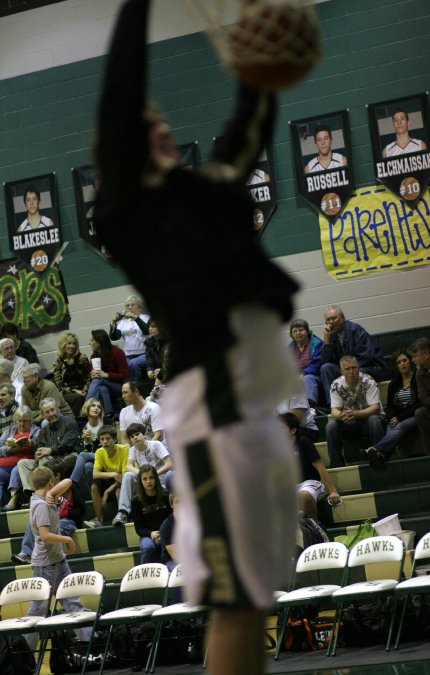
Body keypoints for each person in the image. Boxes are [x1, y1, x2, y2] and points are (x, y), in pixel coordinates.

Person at [94, 2, 299, 673]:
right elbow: (121, 92)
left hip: (252, 399)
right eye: (143, 125)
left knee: (257, 595)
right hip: (211, 406)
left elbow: (242, 139)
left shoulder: (204, 190)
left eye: (161, 123)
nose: (156, 126)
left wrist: (256, 78)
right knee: (235, 600)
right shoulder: (128, 210)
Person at [24, 465, 91, 652]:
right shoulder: (40, 505)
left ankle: (89, 645)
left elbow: (69, 482)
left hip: (59, 561)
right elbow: (45, 536)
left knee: (72, 603)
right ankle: (24, 653)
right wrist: (68, 539)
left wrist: (51, 491)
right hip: (44, 566)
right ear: (50, 481)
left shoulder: (48, 498)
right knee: (38, 610)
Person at [12, 459, 85, 565]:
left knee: (55, 527)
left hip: (68, 520)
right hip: (50, 521)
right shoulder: (42, 491)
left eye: (48, 478)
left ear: (57, 476)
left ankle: (44, 556)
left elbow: (81, 510)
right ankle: (25, 553)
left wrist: (64, 513)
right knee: (32, 524)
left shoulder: (70, 487)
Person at [360, 349, 419, 467]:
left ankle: (373, 449)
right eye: (399, 362)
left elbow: (419, 403)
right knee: (390, 428)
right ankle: (381, 456)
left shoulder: (418, 378)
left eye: (404, 360)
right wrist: (392, 417)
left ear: (410, 361)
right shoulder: (394, 383)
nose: (402, 364)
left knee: (399, 427)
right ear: (396, 366)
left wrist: (399, 418)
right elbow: (390, 406)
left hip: (415, 415)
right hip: (398, 418)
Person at [325, 355, 386, 467]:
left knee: (374, 420)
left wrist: (354, 414)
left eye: (354, 367)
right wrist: (342, 416)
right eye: (347, 369)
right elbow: (334, 410)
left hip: (369, 421)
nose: (352, 371)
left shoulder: (368, 380)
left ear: (358, 368)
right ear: (342, 371)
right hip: (350, 423)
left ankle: (378, 456)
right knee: (331, 426)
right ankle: (337, 465)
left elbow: (375, 407)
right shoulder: (336, 385)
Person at [320, 305, 386, 407]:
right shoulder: (331, 335)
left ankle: (359, 404)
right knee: (326, 368)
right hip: (346, 370)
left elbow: (366, 356)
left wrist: (347, 370)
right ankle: (333, 405)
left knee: (354, 372)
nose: (331, 322)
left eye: (334, 318)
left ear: (342, 318)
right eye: (328, 320)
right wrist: (327, 340)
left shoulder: (356, 330)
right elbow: (327, 361)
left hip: (369, 367)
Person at [17, 398, 81, 501]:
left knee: (44, 459)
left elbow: (67, 445)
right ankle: (32, 492)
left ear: (58, 410)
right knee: (22, 463)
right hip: (50, 459)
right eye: (47, 412)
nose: (51, 414)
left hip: (69, 456)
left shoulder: (69, 422)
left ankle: (44, 492)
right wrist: (37, 453)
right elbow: (41, 447)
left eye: (53, 410)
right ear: (43, 415)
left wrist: (49, 450)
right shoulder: (44, 430)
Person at [279, 412, 340, 517]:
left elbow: (320, 467)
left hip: (309, 483)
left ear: (293, 430)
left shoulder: (303, 442)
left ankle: (313, 527)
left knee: (304, 495)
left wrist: (333, 491)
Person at [112, 421, 173, 525]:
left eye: (137, 434)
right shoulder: (133, 449)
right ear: (130, 440)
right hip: (146, 482)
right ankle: (123, 512)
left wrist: (154, 474)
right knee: (128, 475)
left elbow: (169, 463)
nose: (135, 437)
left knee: (171, 475)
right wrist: (142, 474)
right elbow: (129, 466)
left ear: (144, 434)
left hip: (161, 480)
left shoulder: (156, 445)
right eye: (132, 436)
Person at [83, 425, 129, 528]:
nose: (105, 442)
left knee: (118, 490)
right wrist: (113, 474)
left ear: (115, 439)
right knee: (94, 486)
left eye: (108, 438)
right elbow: (95, 474)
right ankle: (98, 519)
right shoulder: (99, 452)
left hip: (121, 482)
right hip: (112, 479)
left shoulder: (124, 449)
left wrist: (107, 492)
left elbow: (124, 477)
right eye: (102, 439)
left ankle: (123, 517)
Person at [130, 464, 171, 563]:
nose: (148, 481)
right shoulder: (135, 501)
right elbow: (139, 528)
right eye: (145, 479)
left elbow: (171, 519)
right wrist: (151, 534)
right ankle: (144, 575)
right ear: (140, 481)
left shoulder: (166, 495)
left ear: (156, 479)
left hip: (166, 532)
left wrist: (163, 533)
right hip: (147, 535)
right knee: (148, 547)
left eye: (151, 478)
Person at [0, 405, 39, 509]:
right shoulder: (9, 431)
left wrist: (32, 444)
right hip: (5, 464)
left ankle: (13, 500)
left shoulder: (36, 431)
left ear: (30, 420)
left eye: (25, 421)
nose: (22, 424)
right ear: (15, 420)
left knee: (16, 470)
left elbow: (41, 448)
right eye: (19, 421)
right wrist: (7, 449)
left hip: (24, 464)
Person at [85, 329, 129, 416]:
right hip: (105, 385)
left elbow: (125, 374)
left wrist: (106, 375)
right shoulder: (94, 356)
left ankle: (86, 408)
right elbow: (94, 378)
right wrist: (92, 375)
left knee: (98, 379)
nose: (89, 343)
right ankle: (109, 415)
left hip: (120, 386)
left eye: (92, 340)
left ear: (99, 342)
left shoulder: (117, 352)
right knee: (102, 388)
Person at [69, 397, 107, 487]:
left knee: (82, 455)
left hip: (105, 455)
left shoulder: (106, 423)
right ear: (87, 408)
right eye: (93, 406)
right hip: (92, 458)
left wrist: (94, 440)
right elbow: (80, 447)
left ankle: (72, 483)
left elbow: (111, 443)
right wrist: (84, 439)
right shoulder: (81, 425)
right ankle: (95, 493)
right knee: (87, 467)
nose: (96, 408)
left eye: (99, 407)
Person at [109, 295, 150, 379]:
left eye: (133, 305)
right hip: (128, 355)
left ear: (139, 306)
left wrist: (135, 317)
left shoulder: (145, 318)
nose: (130, 307)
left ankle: (136, 386)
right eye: (128, 305)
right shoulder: (123, 323)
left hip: (144, 353)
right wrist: (114, 323)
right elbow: (114, 337)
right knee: (120, 366)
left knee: (133, 364)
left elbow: (146, 331)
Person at [53, 332, 91, 417]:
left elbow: (89, 377)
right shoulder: (57, 362)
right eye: (69, 343)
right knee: (77, 397)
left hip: (84, 389)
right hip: (67, 391)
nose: (72, 346)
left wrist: (84, 390)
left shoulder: (82, 358)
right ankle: (77, 421)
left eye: (74, 344)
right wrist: (75, 391)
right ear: (63, 345)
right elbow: (59, 384)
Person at [288, 319, 323, 408]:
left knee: (307, 379)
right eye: (295, 331)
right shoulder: (290, 348)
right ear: (291, 334)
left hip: (315, 375)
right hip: (297, 376)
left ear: (307, 331)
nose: (298, 333)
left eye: (301, 330)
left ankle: (311, 407)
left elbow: (317, 364)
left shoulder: (317, 344)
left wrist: (303, 373)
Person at [159, 491, 179, 572]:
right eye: (178, 501)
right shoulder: (166, 526)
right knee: (179, 571)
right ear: (172, 505)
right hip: (171, 560)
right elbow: (176, 557)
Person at [145, 319, 169, 386]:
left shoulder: (169, 344)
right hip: (157, 376)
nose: (150, 329)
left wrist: (162, 371)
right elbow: (149, 362)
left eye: (153, 326)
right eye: (149, 327)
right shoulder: (149, 344)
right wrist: (150, 372)